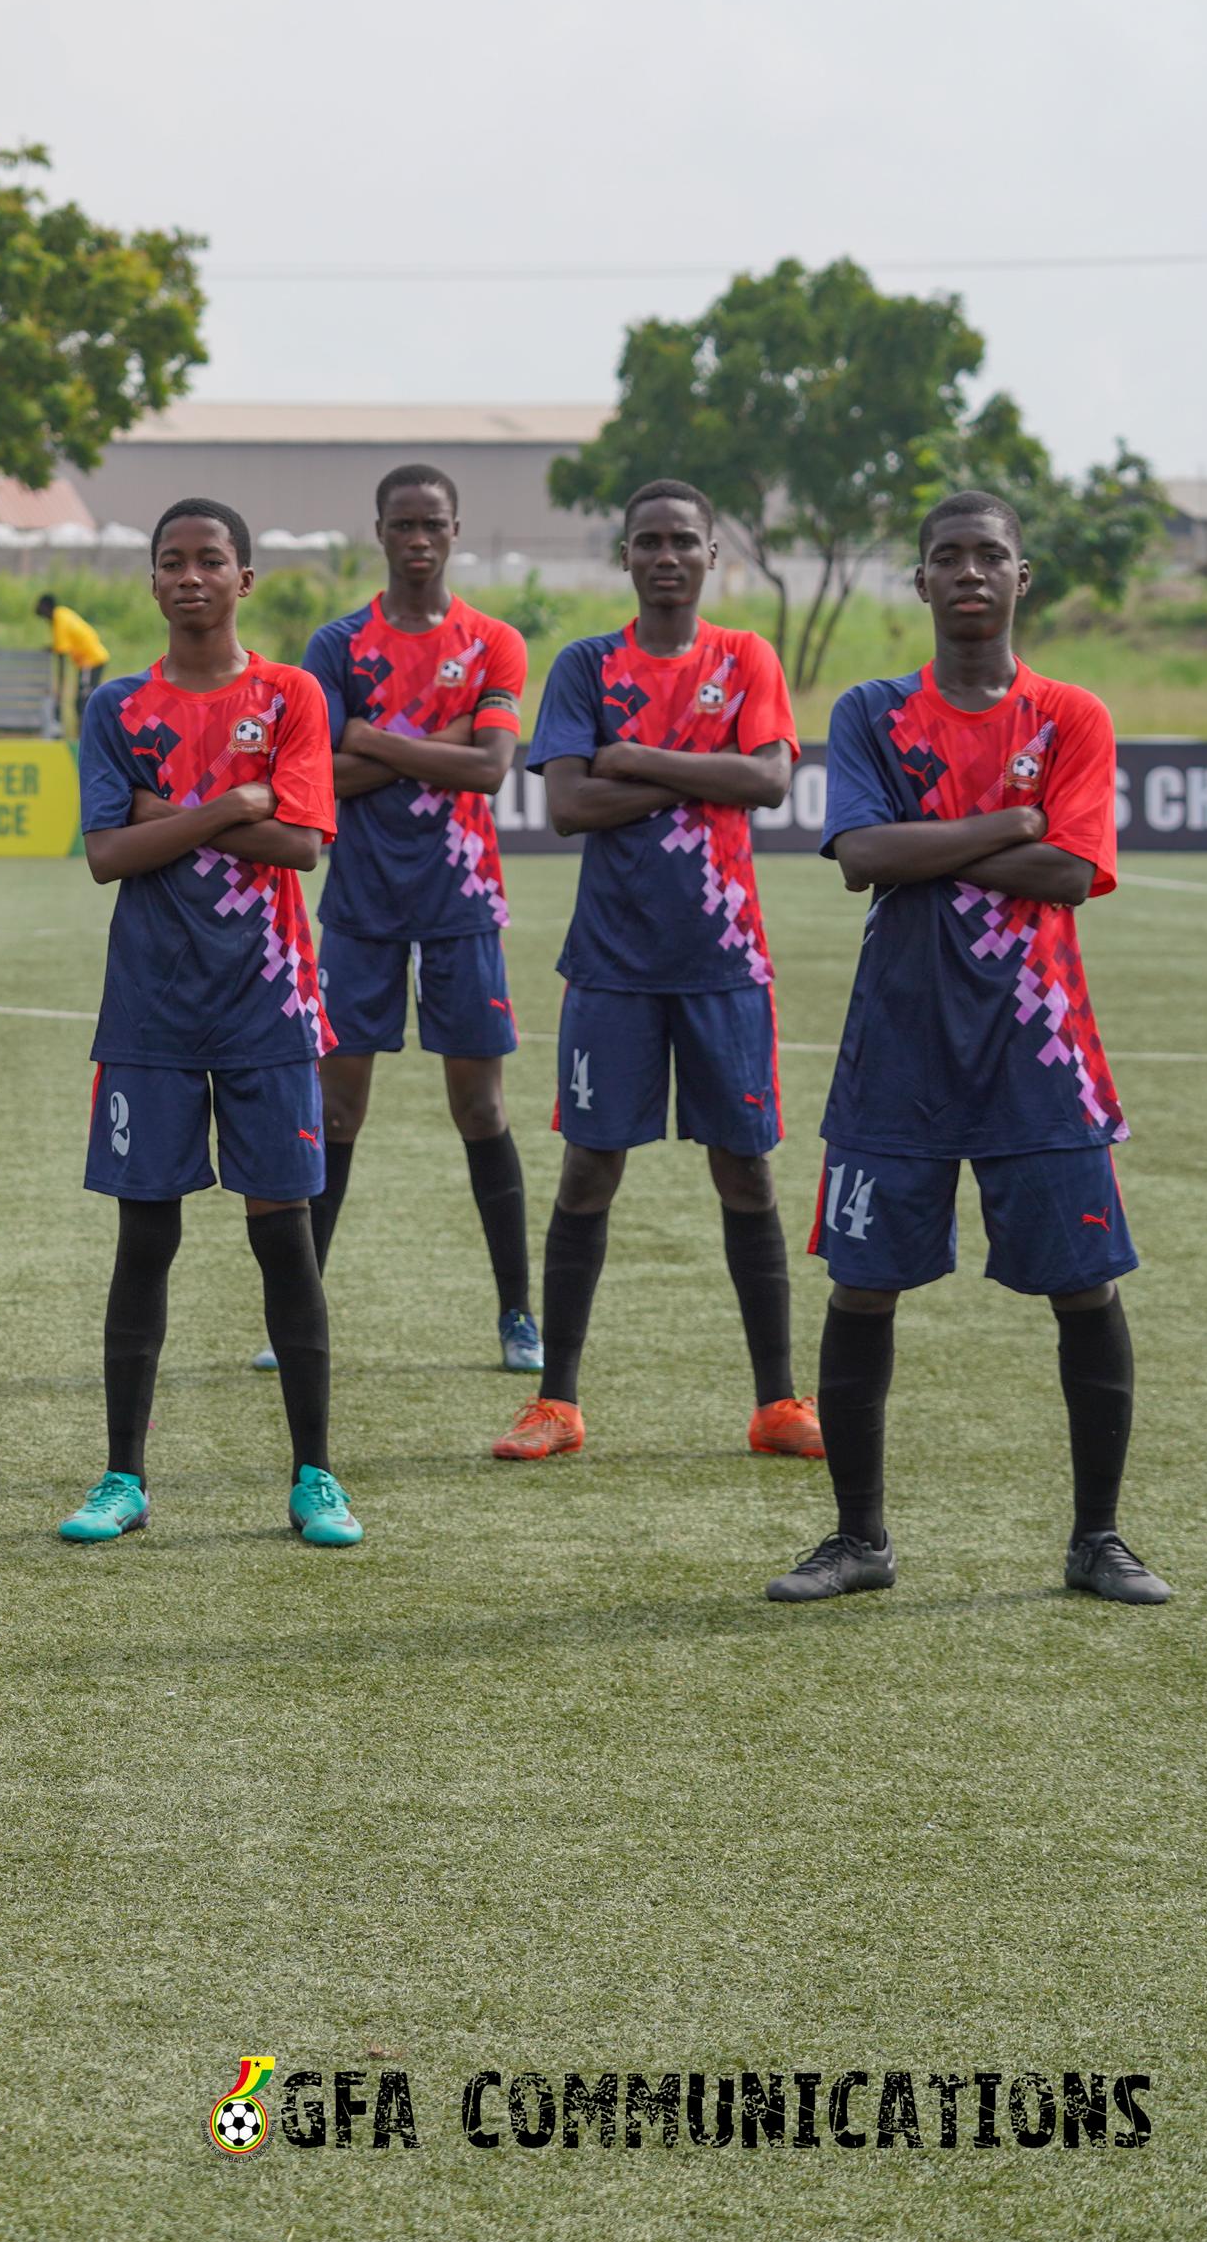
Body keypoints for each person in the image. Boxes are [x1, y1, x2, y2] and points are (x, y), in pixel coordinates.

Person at [769, 491, 1163, 1607]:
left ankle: (1097, 1540)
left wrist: (930, 848)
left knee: (1083, 1288)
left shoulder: (1070, 716)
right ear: (922, 582)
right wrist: (1004, 825)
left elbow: (1069, 874)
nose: (968, 574)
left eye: (988, 555)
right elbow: (855, 853)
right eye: (946, 557)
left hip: (1039, 1052)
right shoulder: (869, 712)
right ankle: (858, 1542)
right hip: (895, 1049)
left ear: (1019, 576)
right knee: (860, 1288)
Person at [61, 497, 361, 1551]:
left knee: (283, 1244)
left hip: (268, 1007)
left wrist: (164, 817)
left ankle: (314, 1477)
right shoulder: (115, 706)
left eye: (210, 561)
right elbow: (104, 855)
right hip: (147, 1012)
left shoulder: (289, 695)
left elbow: (300, 846)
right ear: (150, 583)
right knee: (143, 1240)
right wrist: (230, 807)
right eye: (170, 562)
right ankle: (121, 1478)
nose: (190, 577)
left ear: (245, 581)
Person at [513, 481, 821, 1462]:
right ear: (623, 555)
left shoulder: (746, 658)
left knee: (743, 1169)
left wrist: (636, 757)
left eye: (682, 541)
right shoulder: (583, 665)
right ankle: (554, 1404)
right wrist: (700, 769)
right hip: (609, 965)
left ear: (708, 556)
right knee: (589, 1168)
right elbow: (567, 807)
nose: (664, 556)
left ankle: (775, 1404)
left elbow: (768, 780)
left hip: (723, 962)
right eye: (646, 540)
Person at [286, 466, 538, 1376]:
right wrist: (440, 749)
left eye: (433, 522)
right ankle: (298, 1306)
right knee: (337, 1107)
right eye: (403, 523)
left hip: (463, 901)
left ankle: (516, 1310)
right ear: (381, 531)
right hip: (359, 903)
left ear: (455, 529)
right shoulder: (340, 643)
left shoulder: (493, 642)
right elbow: (314, 777)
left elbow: (490, 769)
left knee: (479, 1107)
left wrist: (374, 742)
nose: (418, 537)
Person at [39, 592, 110, 713]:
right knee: (84, 701)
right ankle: (85, 730)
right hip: (89, 660)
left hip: (91, 661)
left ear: (46, 607)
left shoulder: (59, 620)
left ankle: (85, 731)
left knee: (84, 701)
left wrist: (60, 690)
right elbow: (64, 644)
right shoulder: (61, 613)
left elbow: (62, 657)